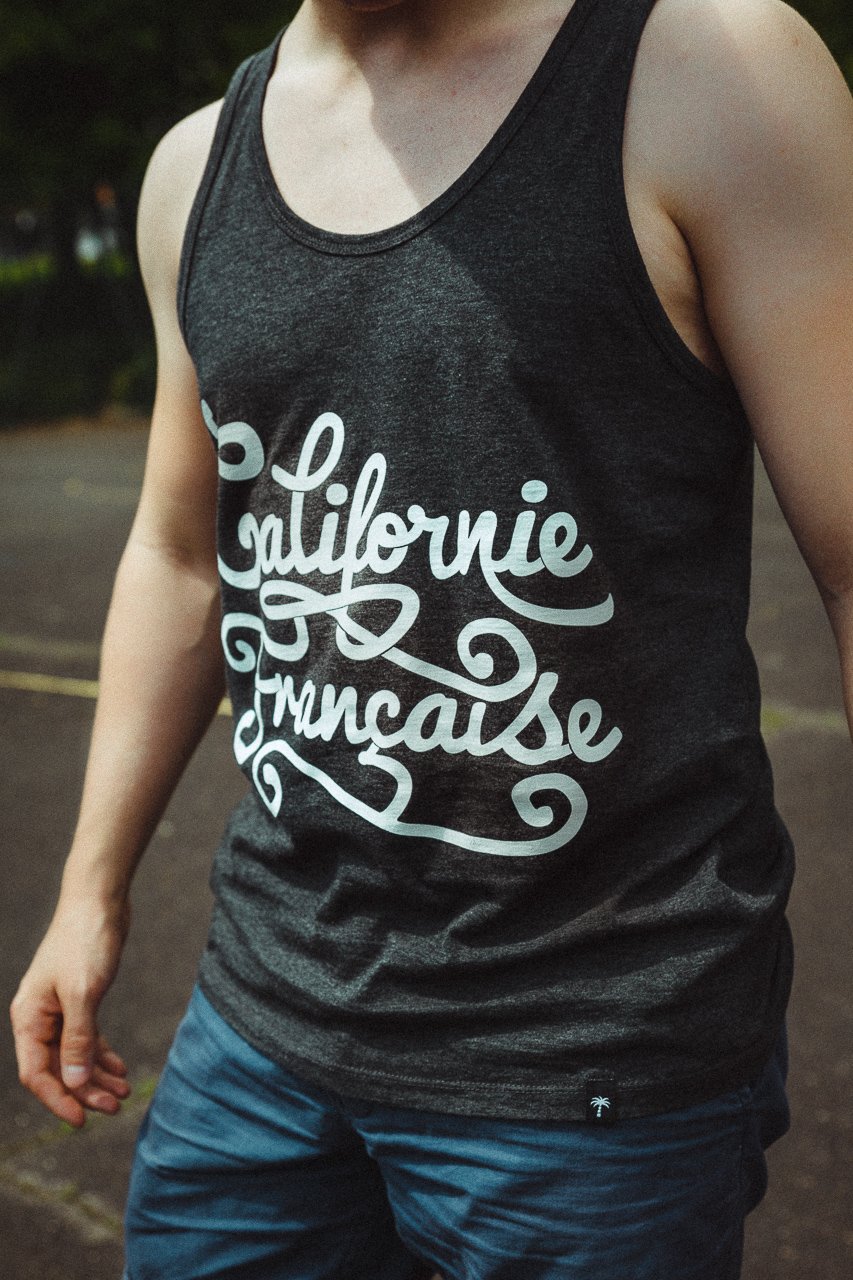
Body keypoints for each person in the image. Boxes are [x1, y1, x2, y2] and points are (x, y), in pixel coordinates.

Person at [10, 0, 853, 1275]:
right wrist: (88, 891)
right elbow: (182, 557)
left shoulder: (709, 76)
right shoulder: (195, 168)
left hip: (595, 1064)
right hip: (265, 1026)